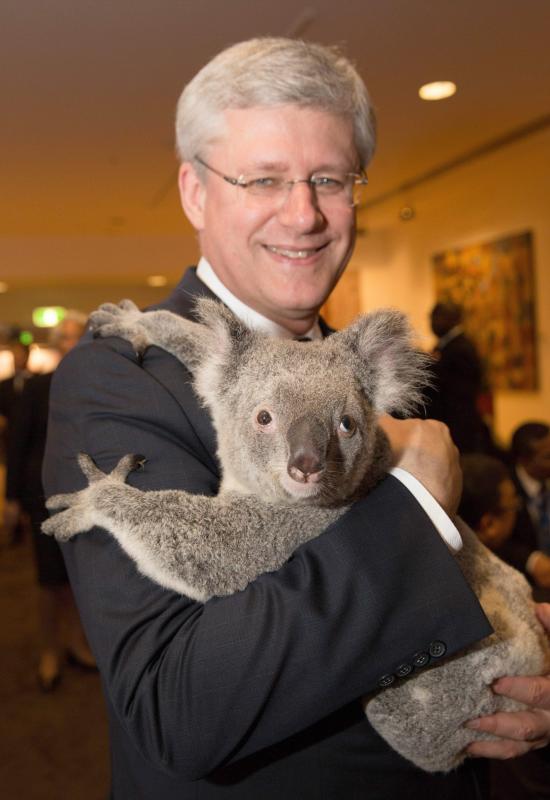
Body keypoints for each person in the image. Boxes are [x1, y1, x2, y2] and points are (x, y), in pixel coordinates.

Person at [42, 38, 550, 798]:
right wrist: (414, 507)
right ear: (194, 192)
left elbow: (441, 592)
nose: (305, 214)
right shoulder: (121, 379)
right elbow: (177, 706)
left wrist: (516, 663)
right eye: (264, 178)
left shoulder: (356, 372)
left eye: (329, 179)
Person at [6, 312, 96, 690]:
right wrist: (11, 498)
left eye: (81, 336)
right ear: (58, 344)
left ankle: (76, 643)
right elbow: (18, 443)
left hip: (87, 498)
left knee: (80, 577)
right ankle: (49, 650)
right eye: (68, 337)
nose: (74, 343)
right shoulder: (38, 387)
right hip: (43, 496)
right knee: (49, 580)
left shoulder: (98, 385)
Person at [426, 301, 492, 454]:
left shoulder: (460, 347)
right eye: (431, 317)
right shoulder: (445, 345)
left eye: (437, 317)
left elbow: (456, 389)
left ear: (454, 318)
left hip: (457, 424)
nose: (433, 322)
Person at [505, 422, 550, 602]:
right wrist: (532, 560)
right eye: (547, 457)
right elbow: (493, 540)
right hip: (523, 587)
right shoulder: (504, 488)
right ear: (524, 460)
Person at [0, 336, 32, 544]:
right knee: (12, 480)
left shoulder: (36, 383)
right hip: (10, 442)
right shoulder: (4, 385)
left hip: (31, 444)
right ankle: (15, 525)